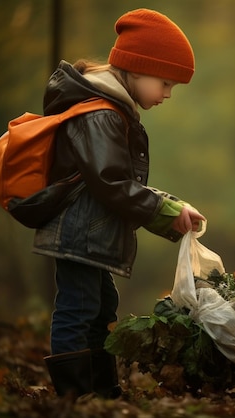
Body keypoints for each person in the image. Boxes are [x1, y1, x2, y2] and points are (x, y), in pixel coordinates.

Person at [32, 9, 205, 399]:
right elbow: (111, 182)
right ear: (136, 69)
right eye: (164, 83)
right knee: (78, 309)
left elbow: (114, 182)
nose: (167, 94)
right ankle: (75, 395)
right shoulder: (100, 115)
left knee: (102, 305)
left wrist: (170, 208)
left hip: (92, 234)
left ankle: (102, 389)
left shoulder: (111, 111)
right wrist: (166, 211)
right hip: (78, 233)